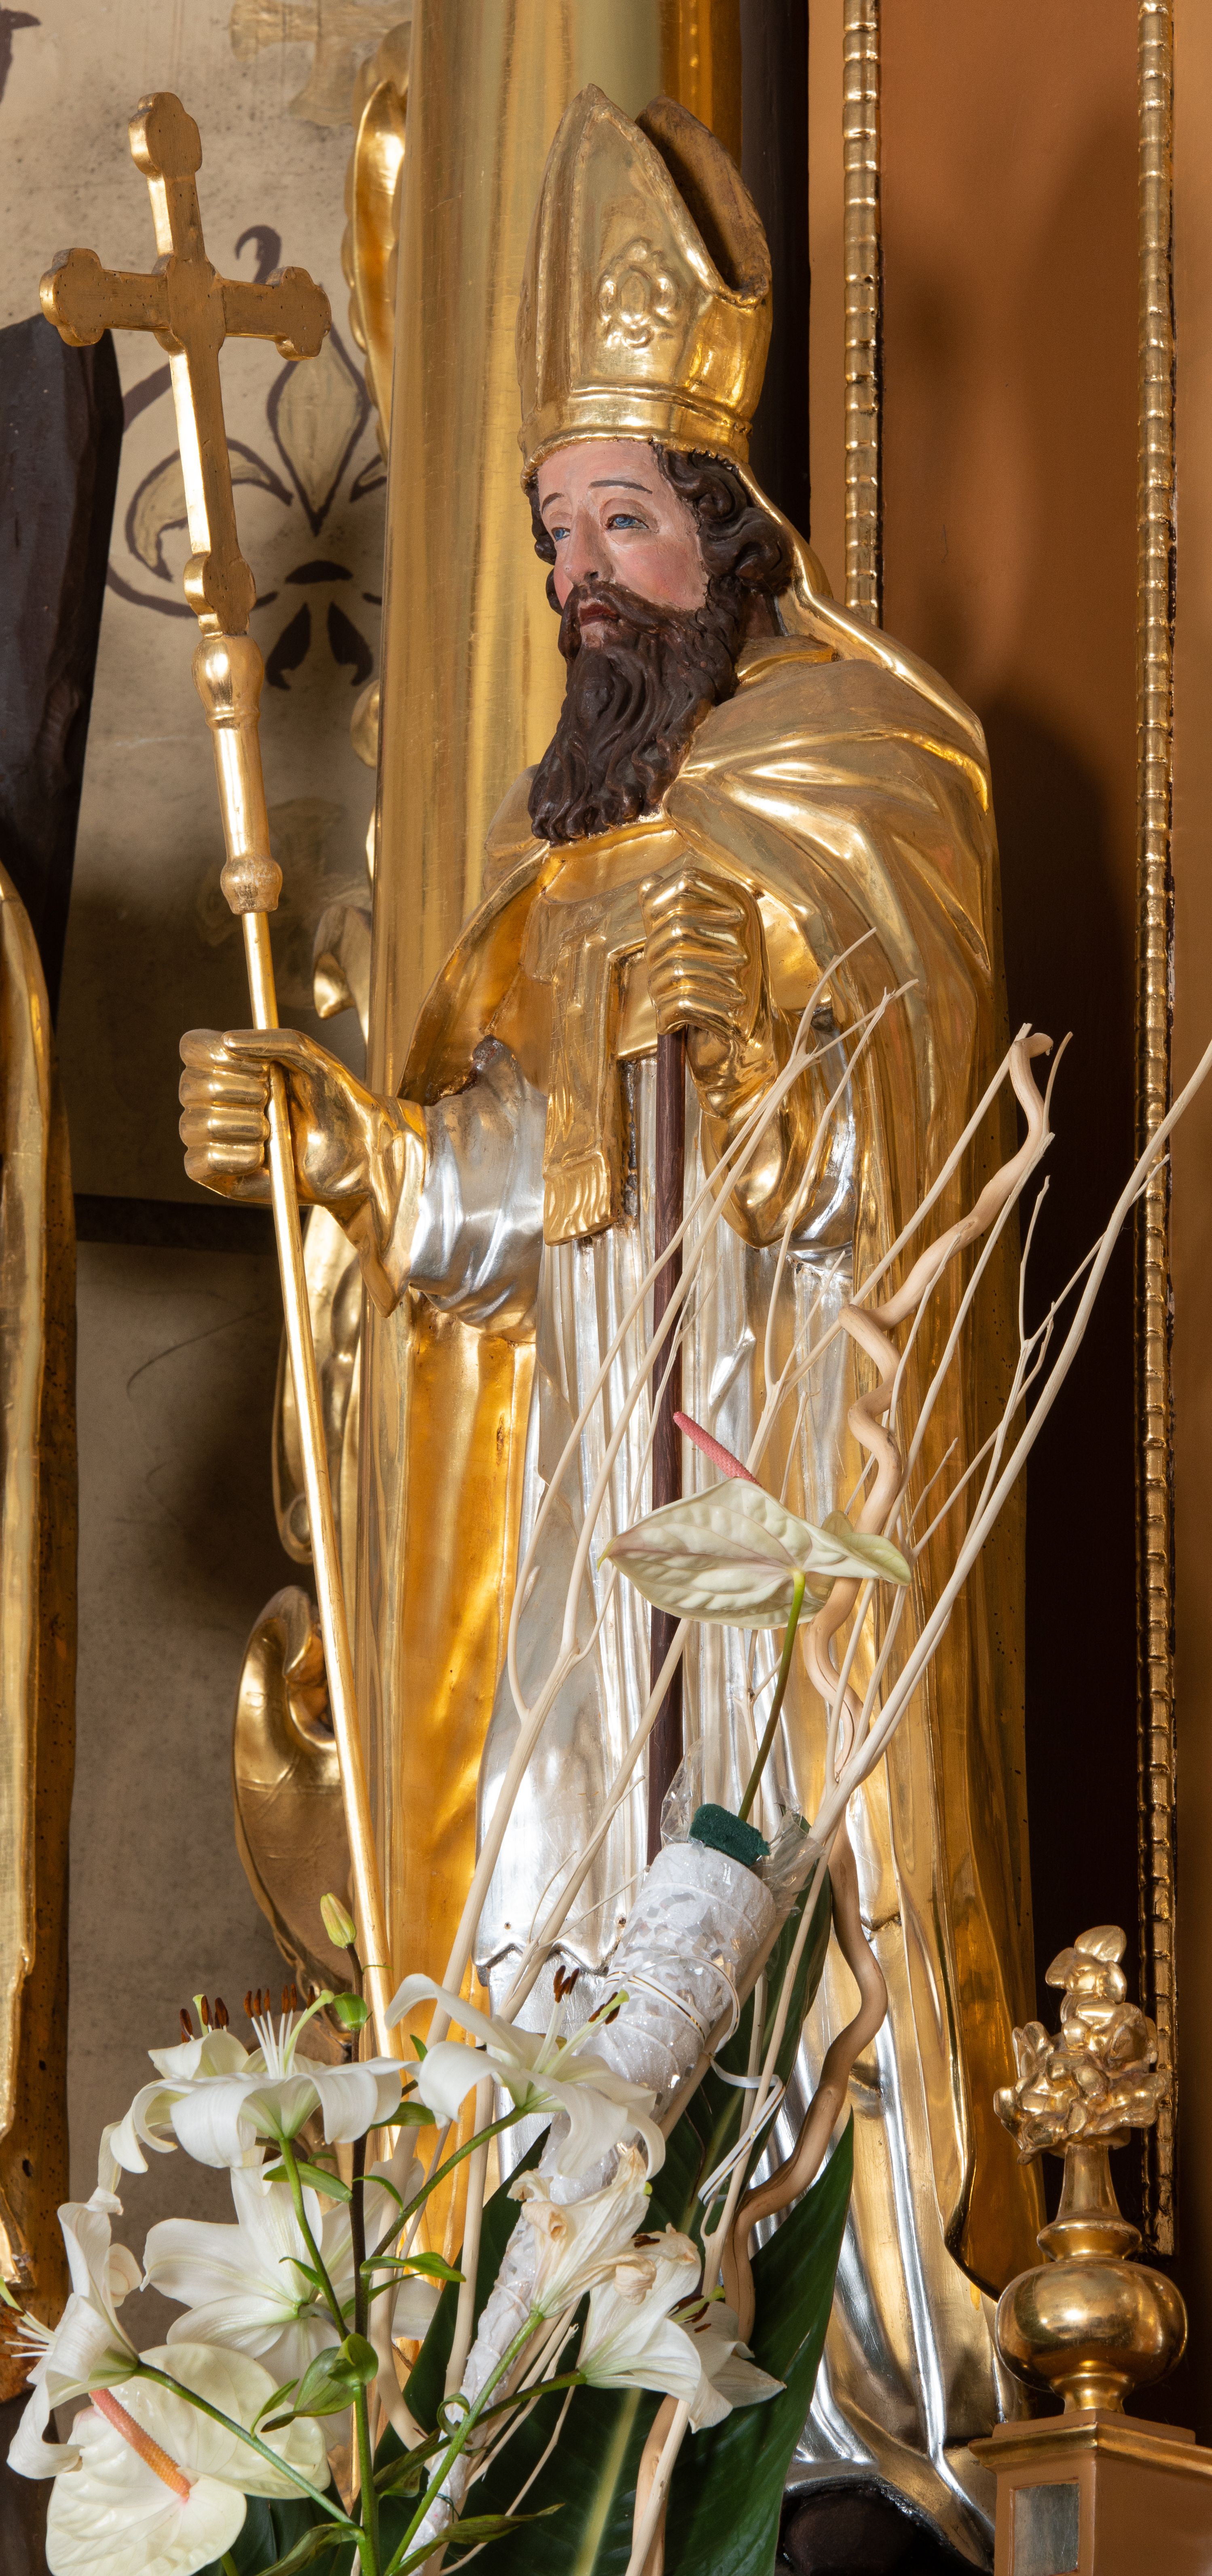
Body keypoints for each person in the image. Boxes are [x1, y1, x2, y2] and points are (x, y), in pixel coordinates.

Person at [180, 88, 1037, 2553]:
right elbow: (508, 1196)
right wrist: (348, 1153)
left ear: (731, 536)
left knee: (775, 1906)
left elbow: (929, 1148)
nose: (578, 577)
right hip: (585, 1531)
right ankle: (545, 2362)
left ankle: (806, 2351)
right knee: (564, 1917)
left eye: (619, 525)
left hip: (784, 1498)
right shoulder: (559, 856)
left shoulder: (872, 770)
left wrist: (775, 1062)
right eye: (553, 531)